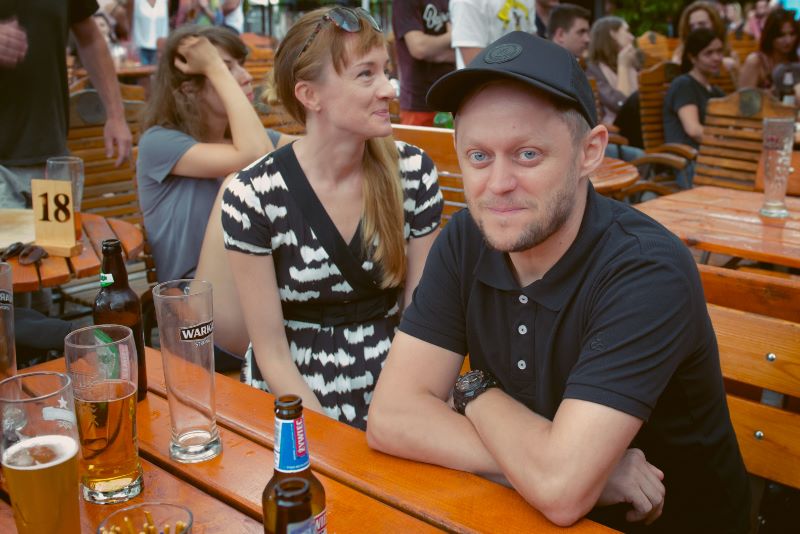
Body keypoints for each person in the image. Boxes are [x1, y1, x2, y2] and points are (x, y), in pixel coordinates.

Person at [367, 31, 750, 533]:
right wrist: (550, 467)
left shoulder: (645, 270)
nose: (498, 185)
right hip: (518, 514)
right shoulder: (466, 237)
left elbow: (562, 490)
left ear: (589, 152)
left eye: (527, 154)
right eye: (479, 156)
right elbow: (391, 417)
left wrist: (472, 391)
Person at [221, 6, 443, 430]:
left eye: (385, 71)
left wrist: (401, 410)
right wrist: (326, 439)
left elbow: (420, 318)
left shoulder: (413, 173)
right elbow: (271, 352)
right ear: (310, 96)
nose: (389, 89)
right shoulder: (253, 195)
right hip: (292, 397)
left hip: (397, 384)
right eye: (366, 74)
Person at [137, 25, 272, 283]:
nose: (246, 77)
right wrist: (214, 68)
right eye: (227, 68)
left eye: (240, 65)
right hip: (193, 292)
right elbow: (257, 157)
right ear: (189, 88)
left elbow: (314, 151)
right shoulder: (158, 143)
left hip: (251, 281)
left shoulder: (244, 139)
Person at [0, 0, 132, 209]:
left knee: (65, 232)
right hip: (4, 169)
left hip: (53, 160)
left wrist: (116, 115)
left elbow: (90, 37)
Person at [392, 0, 455, 126]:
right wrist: (451, 36)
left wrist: (435, 53)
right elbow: (419, 48)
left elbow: (464, 50)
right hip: (419, 102)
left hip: (451, 97)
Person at [664, 29, 725, 149]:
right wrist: (728, 144)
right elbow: (694, 130)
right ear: (692, 58)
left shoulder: (716, 92)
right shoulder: (683, 85)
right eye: (708, 53)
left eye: (719, 51)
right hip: (687, 156)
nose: (717, 58)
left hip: (711, 154)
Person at [450, 0, 537, 68]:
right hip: (490, 82)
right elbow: (474, 65)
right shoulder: (465, 2)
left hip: (525, 77)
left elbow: (532, 42)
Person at [585, 16, 639, 125]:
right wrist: (623, 66)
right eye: (627, 31)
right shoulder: (593, 71)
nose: (632, 37)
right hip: (616, 130)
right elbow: (621, 104)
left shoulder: (633, 65)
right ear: (613, 34)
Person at [670, 0, 739, 84]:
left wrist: (734, 69)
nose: (696, 29)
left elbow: (740, 88)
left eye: (702, 24)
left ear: (714, 24)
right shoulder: (680, 54)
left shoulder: (729, 53)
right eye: (692, 26)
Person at [739, 7, 800, 91]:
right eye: (781, 35)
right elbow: (743, 97)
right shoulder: (756, 62)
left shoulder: (796, 61)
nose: (788, 41)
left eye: (792, 34)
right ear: (771, 36)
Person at [133, 0, 169, 65]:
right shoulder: (137, 2)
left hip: (158, 48)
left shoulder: (164, 2)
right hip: (141, 48)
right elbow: (133, 24)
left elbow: (165, 24)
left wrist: (164, 45)